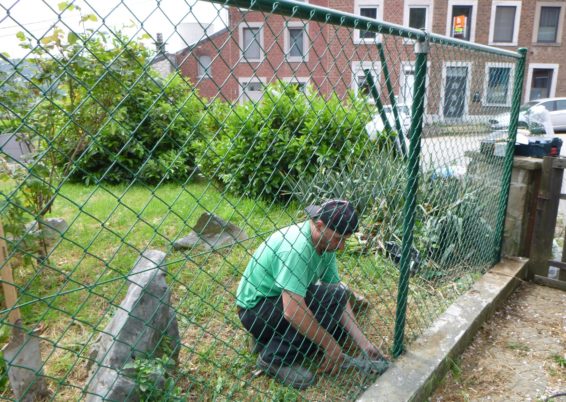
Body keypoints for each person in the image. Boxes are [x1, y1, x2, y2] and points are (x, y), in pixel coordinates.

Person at [236, 199, 386, 389]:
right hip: (256, 310)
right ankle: (273, 358)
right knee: (326, 330)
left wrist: (364, 344)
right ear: (319, 225)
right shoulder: (297, 247)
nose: (341, 247)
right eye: (339, 239)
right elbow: (292, 311)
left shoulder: (325, 242)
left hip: (278, 302)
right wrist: (329, 345)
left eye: (345, 240)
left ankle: (268, 340)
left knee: (337, 321)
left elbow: (336, 294)